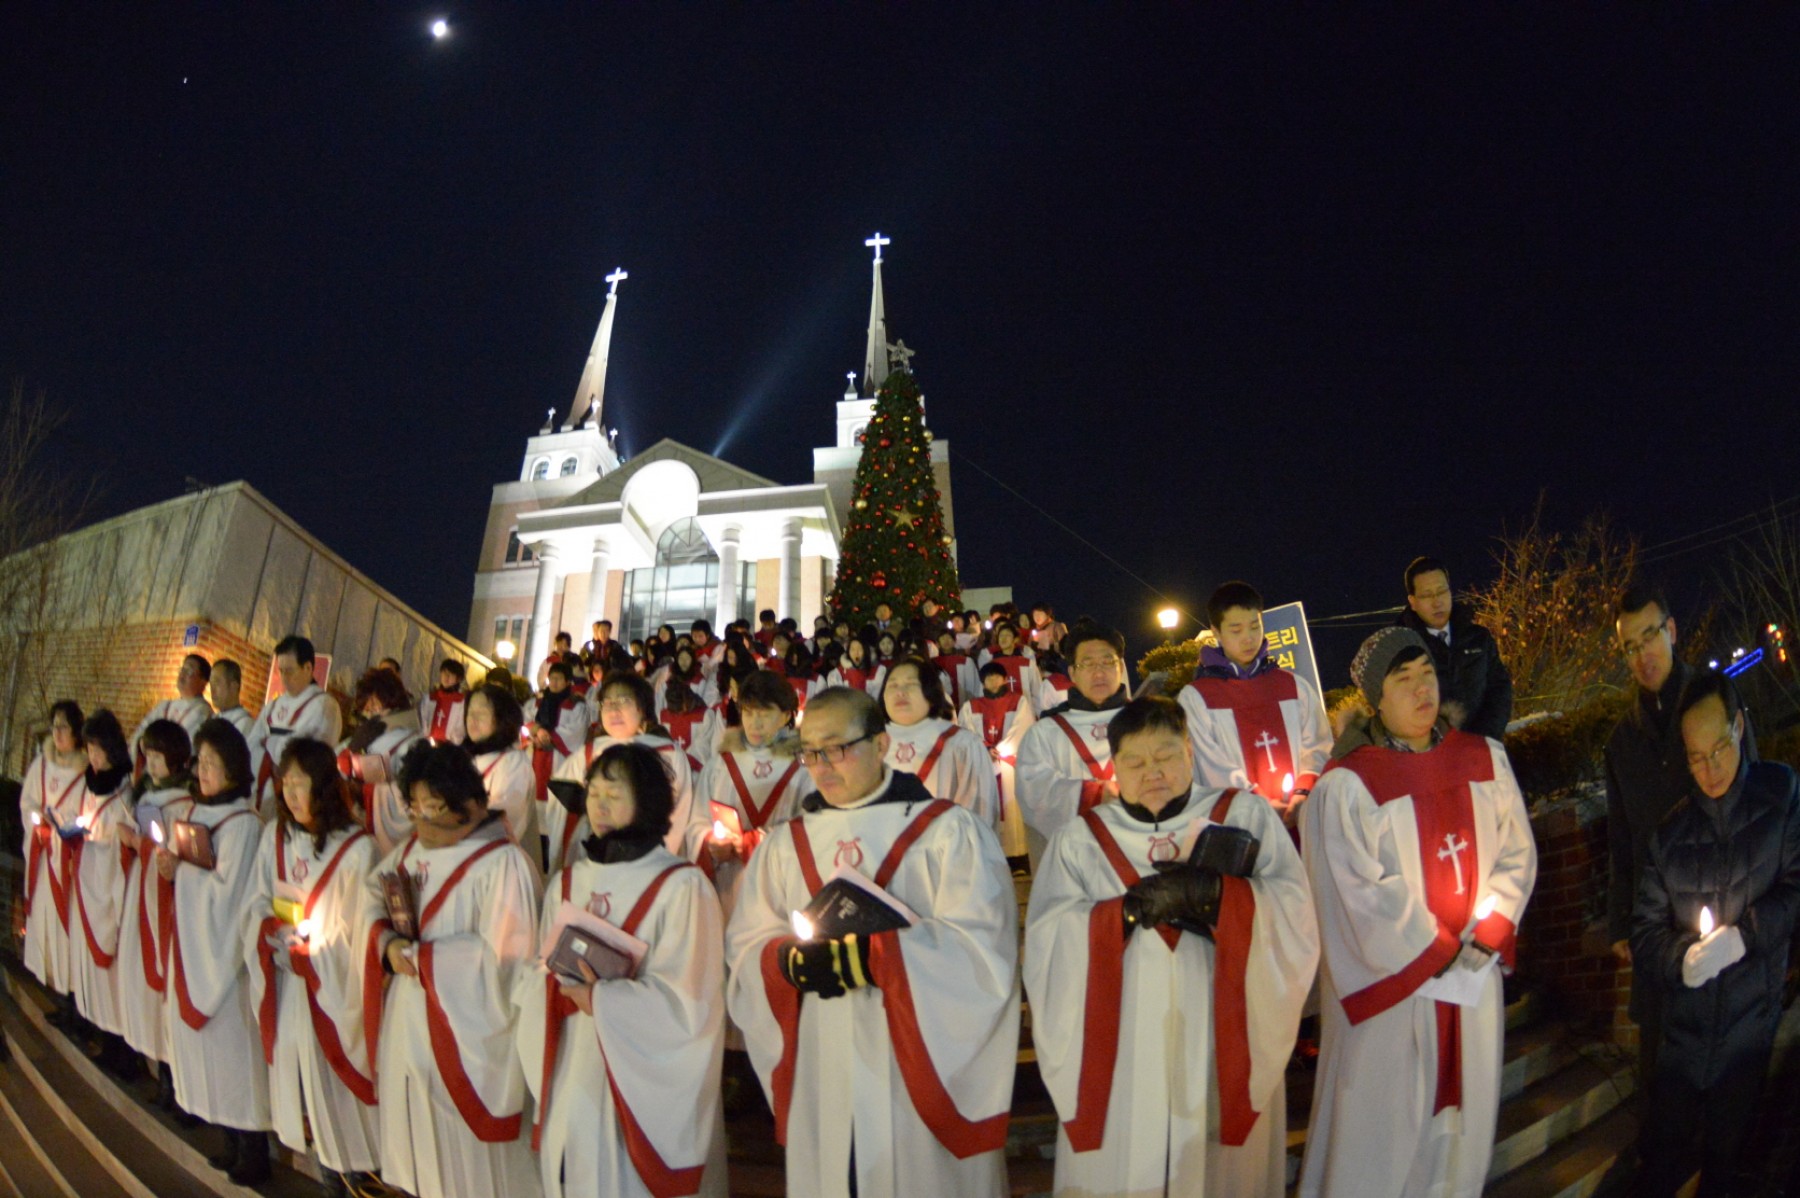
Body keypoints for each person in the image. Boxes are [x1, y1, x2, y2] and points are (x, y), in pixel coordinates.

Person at [725, 687, 1020, 1197]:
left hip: (918, 1054)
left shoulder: (948, 832)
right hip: (822, 1048)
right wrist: (786, 963)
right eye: (809, 752)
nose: (821, 765)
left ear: (882, 744)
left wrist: (876, 956)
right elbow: (748, 941)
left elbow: (982, 945)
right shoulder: (783, 844)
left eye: (837, 748)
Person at [1025, 696, 1318, 1195]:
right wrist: (1124, 914)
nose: (1151, 771)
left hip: (1222, 1026)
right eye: (1134, 762)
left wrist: (1218, 896)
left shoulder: (1242, 815)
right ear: (1114, 767)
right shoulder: (1079, 840)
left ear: (1188, 750)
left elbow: (1295, 911)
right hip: (1124, 1035)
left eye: (1164, 755)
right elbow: (1047, 941)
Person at [1298, 627, 1537, 1198]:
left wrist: (1491, 926)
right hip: (1394, 996)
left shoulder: (1484, 759)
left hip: (1471, 979)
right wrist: (1435, 950)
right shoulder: (1347, 786)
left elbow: (1516, 849)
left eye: (1426, 672)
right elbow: (1352, 893)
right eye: (1401, 679)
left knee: (1466, 1125)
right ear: (1375, 697)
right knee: (1378, 1138)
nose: (1420, 688)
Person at [516, 743, 728, 1197]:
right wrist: (545, 985)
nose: (599, 804)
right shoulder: (567, 882)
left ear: (648, 801)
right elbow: (536, 971)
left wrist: (603, 1000)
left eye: (614, 792)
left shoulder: (683, 886)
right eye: (592, 792)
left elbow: (693, 1003)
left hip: (639, 1081)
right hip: (572, 1062)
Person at [1628, 671, 1800, 1198]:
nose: (1710, 768)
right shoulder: (1670, 836)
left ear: (1739, 726)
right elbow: (1645, 932)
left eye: (1720, 748)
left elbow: (1796, 887)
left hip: (1751, 1029)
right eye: (1695, 756)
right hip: (1685, 1038)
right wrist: (1681, 960)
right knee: (1660, 1160)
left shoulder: (1781, 796)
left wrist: (1744, 937)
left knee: (1727, 1166)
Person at [361, 742, 540, 1198]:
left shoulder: (500, 863)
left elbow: (506, 961)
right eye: (415, 806)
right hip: (409, 1020)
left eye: (436, 807)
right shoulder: (407, 852)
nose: (423, 820)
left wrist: (422, 958)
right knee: (417, 1141)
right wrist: (385, 943)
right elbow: (370, 900)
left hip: (465, 1034)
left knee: (466, 1165)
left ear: (471, 803)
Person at [1604, 583, 1737, 1101]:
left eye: (1649, 636)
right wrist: (1620, 920)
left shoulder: (1713, 700)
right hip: (1659, 921)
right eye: (1629, 647)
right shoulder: (1622, 739)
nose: (1642, 655)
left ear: (1672, 631)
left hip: (1721, 895)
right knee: (1662, 1059)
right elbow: (1622, 837)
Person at [248, 737, 382, 1194]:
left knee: (338, 1107)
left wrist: (318, 954)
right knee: (304, 1100)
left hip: (330, 996)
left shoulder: (358, 851)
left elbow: (360, 933)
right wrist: (271, 930)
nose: (289, 793)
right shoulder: (274, 837)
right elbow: (255, 901)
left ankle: (350, 1182)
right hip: (289, 989)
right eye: (285, 783)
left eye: (300, 783)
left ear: (324, 787)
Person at [160, 718, 272, 1185]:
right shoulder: (196, 813)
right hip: (194, 948)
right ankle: (228, 1142)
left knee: (235, 1057)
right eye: (200, 762)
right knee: (212, 1058)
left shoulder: (244, 825)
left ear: (234, 768)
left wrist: (182, 873)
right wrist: (171, 866)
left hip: (225, 960)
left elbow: (231, 896)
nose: (203, 771)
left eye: (212, 763)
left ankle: (253, 1151)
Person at [1179, 581, 1333, 829]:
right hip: (1239, 826)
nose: (1249, 638)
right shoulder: (1196, 698)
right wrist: (1259, 803)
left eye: (1255, 626)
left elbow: (1319, 746)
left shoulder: (1294, 687)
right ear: (1216, 632)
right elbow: (1209, 766)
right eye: (1236, 630)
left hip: (1302, 817)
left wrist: (1302, 792)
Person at [547, 671, 701, 874]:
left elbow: (678, 811)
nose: (613, 710)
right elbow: (559, 812)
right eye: (607, 703)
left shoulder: (668, 755)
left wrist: (653, 859)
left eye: (623, 701)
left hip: (650, 867)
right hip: (595, 863)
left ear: (643, 708)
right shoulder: (587, 753)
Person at [115, 719, 195, 1110]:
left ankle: (170, 1082)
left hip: (162, 903)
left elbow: (175, 856)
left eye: (159, 757)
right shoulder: (147, 794)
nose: (153, 764)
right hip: (141, 896)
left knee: (161, 990)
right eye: (149, 756)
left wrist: (137, 842)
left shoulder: (182, 804)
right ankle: (140, 1060)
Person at [697, 670, 815, 915]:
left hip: (778, 886)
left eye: (764, 714)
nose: (755, 723)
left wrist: (753, 843)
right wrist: (709, 843)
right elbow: (696, 821)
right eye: (748, 713)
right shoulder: (720, 765)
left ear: (785, 716)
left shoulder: (804, 768)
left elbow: (811, 827)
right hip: (727, 884)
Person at [1016, 622, 1130, 865]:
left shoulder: (1150, 722)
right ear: (1072, 673)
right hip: (1077, 861)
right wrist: (1103, 795)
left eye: (1107, 662)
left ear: (1120, 667)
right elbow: (1035, 791)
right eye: (1087, 663)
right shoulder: (1046, 732)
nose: (1099, 673)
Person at [67, 710, 136, 1071]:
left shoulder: (124, 790)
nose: (93, 756)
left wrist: (96, 842)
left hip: (111, 892)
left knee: (113, 978)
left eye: (98, 748)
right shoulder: (90, 784)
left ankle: (121, 1051)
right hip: (90, 886)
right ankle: (100, 1036)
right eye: (89, 748)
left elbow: (124, 839)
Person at [1397, 557, 1513, 741]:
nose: (1437, 602)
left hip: (1481, 749)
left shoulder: (1478, 638)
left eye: (1442, 591)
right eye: (1427, 595)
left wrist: (1482, 739)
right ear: (1413, 601)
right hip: (1430, 758)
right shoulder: (1401, 648)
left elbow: (1499, 690)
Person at [20, 700, 87, 1018]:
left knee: (67, 923)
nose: (58, 733)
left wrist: (65, 826)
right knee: (44, 915)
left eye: (64, 726)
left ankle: (69, 990)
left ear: (76, 732)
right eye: (55, 726)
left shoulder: (84, 772)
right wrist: (37, 820)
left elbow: (85, 812)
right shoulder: (41, 766)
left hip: (67, 860)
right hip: (44, 855)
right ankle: (50, 981)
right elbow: (28, 802)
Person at [880, 656, 999, 829]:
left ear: (931, 691)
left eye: (911, 684)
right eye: (892, 685)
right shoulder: (868, 745)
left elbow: (977, 817)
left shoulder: (961, 743)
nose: (900, 692)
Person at [250, 636, 340, 821]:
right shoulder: (274, 705)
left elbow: (302, 753)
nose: (284, 678)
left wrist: (270, 741)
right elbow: (252, 744)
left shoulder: (323, 705)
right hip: (257, 794)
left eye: (290, 671)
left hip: (295, 800)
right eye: (281, 671)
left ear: (308, 668)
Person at [340, 667, 426, 855]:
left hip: (386, 832)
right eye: (366, 704)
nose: (369, 709)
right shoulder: (362, 735)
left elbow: (416, 799)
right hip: (357, 827)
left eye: (374, 701)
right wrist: (353, 749)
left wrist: (366, 792)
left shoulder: (413, 742)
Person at [960, 661, 1036, 866]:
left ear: (1004, 679)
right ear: (982, 682)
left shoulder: (1019, 702)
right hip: (983, 765)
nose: (993, 680)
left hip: (1009, 766)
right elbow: (965, 732)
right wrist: (984, 749)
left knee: (1012, 809)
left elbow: (1022, 727)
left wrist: (998, 750)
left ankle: (1018, 857)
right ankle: (990, 854)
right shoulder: (971, 706)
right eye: (988, 677)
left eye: (996, 676)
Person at [463, 682, 537, 847]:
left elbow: (504, 816)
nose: (473, 719)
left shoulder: (513, 763)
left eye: (481, 713)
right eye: (470, 712)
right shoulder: (464, 758)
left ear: (503, 719)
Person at [530, 660, 591, 836]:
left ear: (567, 682)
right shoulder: (538, 702)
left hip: (560, 762)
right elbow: (525, 722)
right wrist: (534, 730)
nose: (554, 682)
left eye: (558, 679)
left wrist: (549, 737)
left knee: (556, 818)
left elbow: (575, 733)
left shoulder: (577, 705)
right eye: (551, 678)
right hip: (536, 758)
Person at [131, 654, 214, 770]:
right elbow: (140, 732)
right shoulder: (165, 705)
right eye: (182, 669)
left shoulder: (203, 712)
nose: (182, 674)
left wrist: (151, 744)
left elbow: (184, 747)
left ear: (203, 681)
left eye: (189, 671)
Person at [979, 622, 1041, 715]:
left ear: (1015, 639)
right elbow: (984, 691)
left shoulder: (1027, 663)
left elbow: (1037, 691)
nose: (1003, 638)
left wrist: (1037, 714)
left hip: (1025, 713)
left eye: (1007, 635)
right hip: (999, 713)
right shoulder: (991, 665)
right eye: (1001, 635)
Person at [420, 659, 469, 745]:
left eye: (451, 674)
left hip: (448, 747)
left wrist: (450, 743)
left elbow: (460, 728)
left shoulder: (461, 702)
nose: (446, 677)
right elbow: (422, 721)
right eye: (444, 673)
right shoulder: (429, 698)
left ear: (458, 679)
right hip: (427, 744)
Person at [208, 659, 255, 740]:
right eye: (211, 683)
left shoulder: (245, 724)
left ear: (234, 686)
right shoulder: (213, 719)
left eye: (217, 682)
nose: (212, 689)